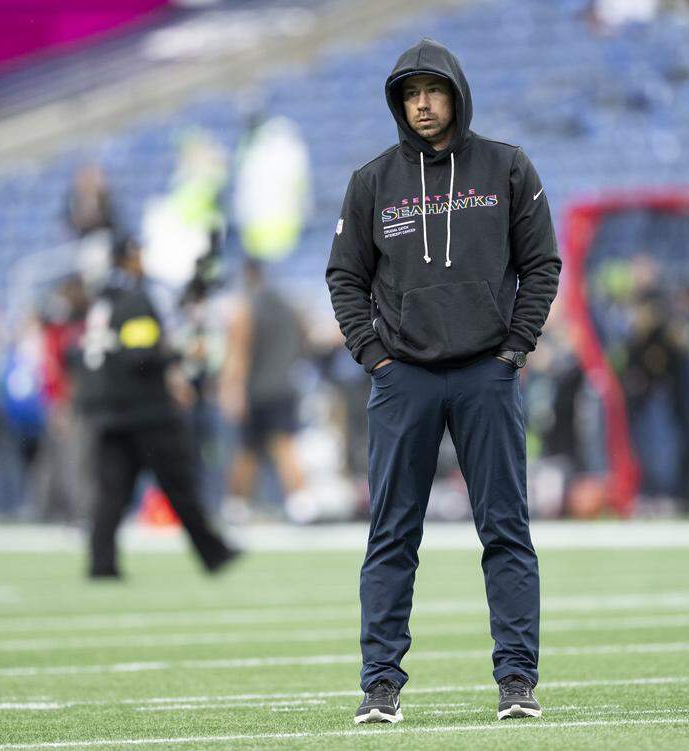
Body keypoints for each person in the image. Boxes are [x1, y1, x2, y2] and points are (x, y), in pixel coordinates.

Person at [326, 38, 561, 724]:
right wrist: (374, 356)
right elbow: (345, 275)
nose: (422, 104)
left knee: (506, 530)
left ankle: (517, 678)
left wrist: (516, 346)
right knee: (391, 534)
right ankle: (380, 684)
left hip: (488, 373)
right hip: (405, 380)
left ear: (456, 92)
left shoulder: (508, 167)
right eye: (410, 93)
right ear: (399, 103)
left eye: (433, 90)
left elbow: (542, 262)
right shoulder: (372, 181)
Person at [75, 237, 236, 579]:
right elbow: (141, 355)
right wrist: (179, 355)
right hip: (145, 411)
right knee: (179, 482)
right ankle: (214, 553)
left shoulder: (103, 301)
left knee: (112, 492)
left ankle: (101, 562)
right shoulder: (132, 299)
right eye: (137, 255)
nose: (142, 261)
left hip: (111, 410)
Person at [219, 260, 306, 517]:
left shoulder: (246, 308)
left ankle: (237, 506)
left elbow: (239, 354)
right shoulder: (290, 307)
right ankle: (301, 505)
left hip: (256, 389)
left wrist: (232, 390)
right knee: (284, 445)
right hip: (285, 384)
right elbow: (304, 341)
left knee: (248, 449)